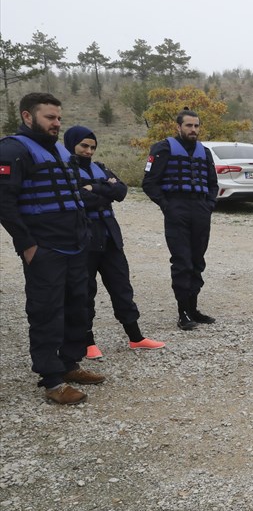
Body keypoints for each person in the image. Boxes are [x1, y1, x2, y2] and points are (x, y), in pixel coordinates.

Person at [0, 93, 105, 404]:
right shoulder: (13, 150)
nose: (57, 123)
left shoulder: (59, 150)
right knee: (47, 311)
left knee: (78, 305)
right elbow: (4, 203)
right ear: (28, 117)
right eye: (50, 118)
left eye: (59, 118)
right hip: (44, 248)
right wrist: (27, 245)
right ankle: (52, 379)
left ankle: (69, 363)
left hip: (75, 244)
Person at [64, 126, 164, 359]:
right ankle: (87, 342)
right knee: (84, 293)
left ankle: (136, 337)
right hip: (85, 241)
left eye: (92, 147)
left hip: (110, 239)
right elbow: (79, 197)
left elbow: (121, 191)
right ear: (72, 145)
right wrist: (104, 189)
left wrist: (96, 187)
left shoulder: (100, 168)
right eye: (84, 146)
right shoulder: (66, 170)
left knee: (122, 289)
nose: (88, 151)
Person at [142, 107, 219, 330]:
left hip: (200, 209)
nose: (193, 129)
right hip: (177, 209)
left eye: (196, 126)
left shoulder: (204, 152)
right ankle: (183, 312)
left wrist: (209, 204)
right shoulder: (163, 148)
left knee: (197, 261)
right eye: (189, 125)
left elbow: (213, 183)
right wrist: (167, 206)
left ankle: (193, 308)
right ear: (178, 127)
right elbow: (149, 183)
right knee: (182, 262)